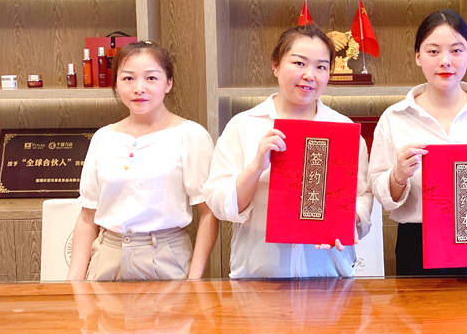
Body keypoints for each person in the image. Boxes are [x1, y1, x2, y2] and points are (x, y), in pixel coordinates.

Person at [368, 10, 467, 276]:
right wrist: (398, 175)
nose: (445, 61)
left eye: (456, 50)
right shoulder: (394, 118)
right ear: (418, 56)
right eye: (433, 51)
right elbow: (379, 189)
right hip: (417, 245)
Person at [203, 24, 373, 278]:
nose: (309, 75)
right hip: (260, 277)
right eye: (299, 63)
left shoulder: (343, 129)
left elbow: (362, 195)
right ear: (276, 65)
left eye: (321, 67)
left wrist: (348, 221)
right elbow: (219, 204)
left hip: (328, 274)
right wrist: (256, 167)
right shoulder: (244, 125)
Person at [67, 41, 218, 281]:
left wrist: (194, 279)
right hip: (107, 258)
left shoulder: (190, 135)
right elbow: (87, 217)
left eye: (151, 78)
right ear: (116, 83)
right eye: (128, 78)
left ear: (168, 83)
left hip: (166, 259)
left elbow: (209, 213)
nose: (139, 88)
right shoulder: (103, 138)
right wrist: (73, 283)